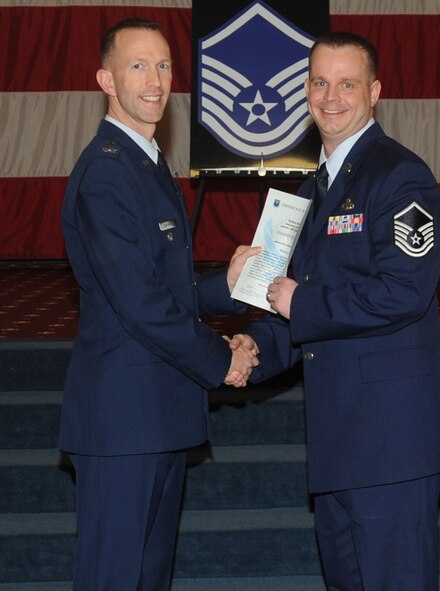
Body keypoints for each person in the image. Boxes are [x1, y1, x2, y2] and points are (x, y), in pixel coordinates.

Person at [232, 32, 440, 590]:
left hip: (392, 440)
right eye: (320, 82)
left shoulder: (400, 175)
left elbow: (403, 292)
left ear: (375, 92)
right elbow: (290, 304)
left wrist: (301, 301)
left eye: (347, 84)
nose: (331, 97)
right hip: (338, 436)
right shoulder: (308, 188)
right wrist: (254, 347)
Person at [60, 18, 260, 590]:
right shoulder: (107, 172)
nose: (155, 81)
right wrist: (220, 359)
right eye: (138, 66)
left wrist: (227, 283)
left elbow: (161, 287)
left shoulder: (145, 164)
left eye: (164, 65)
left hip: (154, 414)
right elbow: (141, 304)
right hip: (124, 421)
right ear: (106, 80)